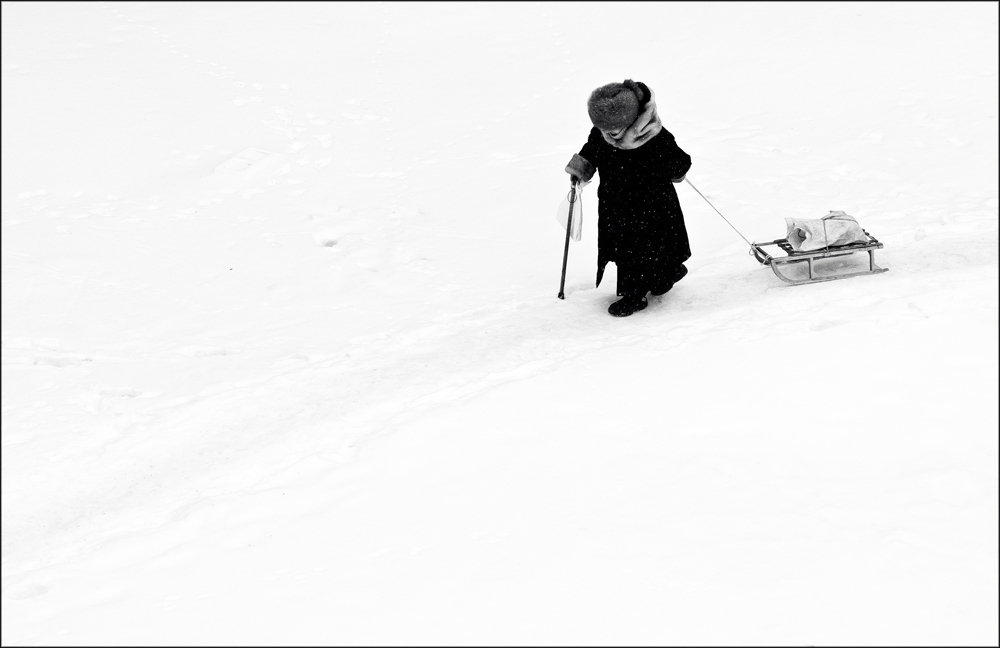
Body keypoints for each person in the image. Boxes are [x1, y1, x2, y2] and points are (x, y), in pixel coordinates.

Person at [565, 79, 692, 317]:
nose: (610, 134)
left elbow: (678, 162)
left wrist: (676, 168)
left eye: (615, 129)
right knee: (627, 248)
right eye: (604, 129)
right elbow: (591, 150)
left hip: (652, 205)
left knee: (641, 249)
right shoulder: (602, 133)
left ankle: (634, 296)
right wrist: (580, 169)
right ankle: (664, 275)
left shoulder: (652, 135)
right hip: (616, 204)